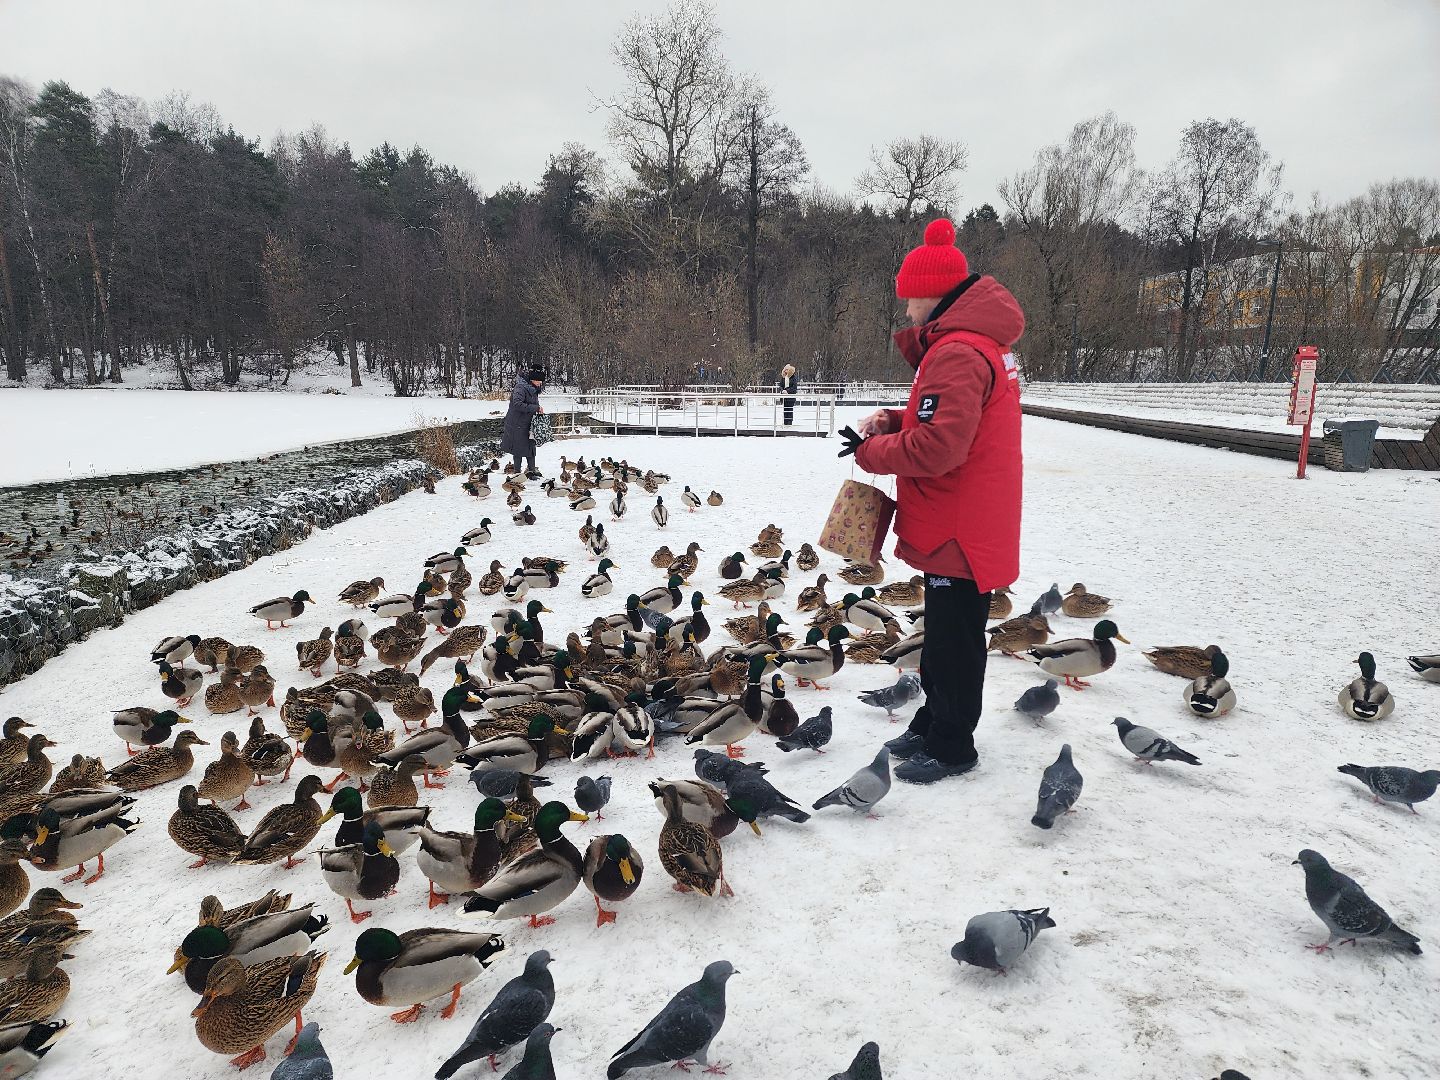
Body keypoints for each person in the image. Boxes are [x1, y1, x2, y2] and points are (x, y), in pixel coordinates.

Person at [837, 217, 1025, 785]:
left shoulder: (957, 352)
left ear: (933, 294)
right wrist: (895, 419)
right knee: (945, 632)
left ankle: (951, 744)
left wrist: (872, 453)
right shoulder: (967, 346)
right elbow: (943, 420)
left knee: (956, 640)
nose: (907, 310)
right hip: (964, 516)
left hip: (959, 525)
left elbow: (940, 446)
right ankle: (932, 720)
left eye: (910, 298)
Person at [501, 367, 545, 478]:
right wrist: (535, 408)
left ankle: (531, 471)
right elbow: (517, 404)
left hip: (528, 422)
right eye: (539, 381)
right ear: (532, 380)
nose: (540, 383)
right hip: (517, 423)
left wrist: (537, 410)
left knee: (531, 445)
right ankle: (517, 472)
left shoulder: (532, 388)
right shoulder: (520, 388)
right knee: (518, 448)